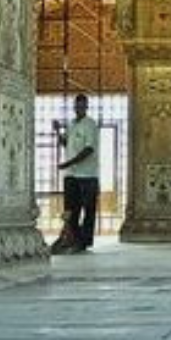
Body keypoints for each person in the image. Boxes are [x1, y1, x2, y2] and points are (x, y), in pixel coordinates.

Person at [55, 94, 100, 253]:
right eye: (76, 105)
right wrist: (57, 132)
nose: (79, 108)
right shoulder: (71, 124)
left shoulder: (91, 125)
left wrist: (69, 163)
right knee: (71, 210)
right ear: (74, 107)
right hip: (71, 174)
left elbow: (89, 149)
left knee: (88, 211)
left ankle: (84, 242)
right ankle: (71, 238)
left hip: (87, 175)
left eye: (82, 106)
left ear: (86, 107)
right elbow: (65, 144)